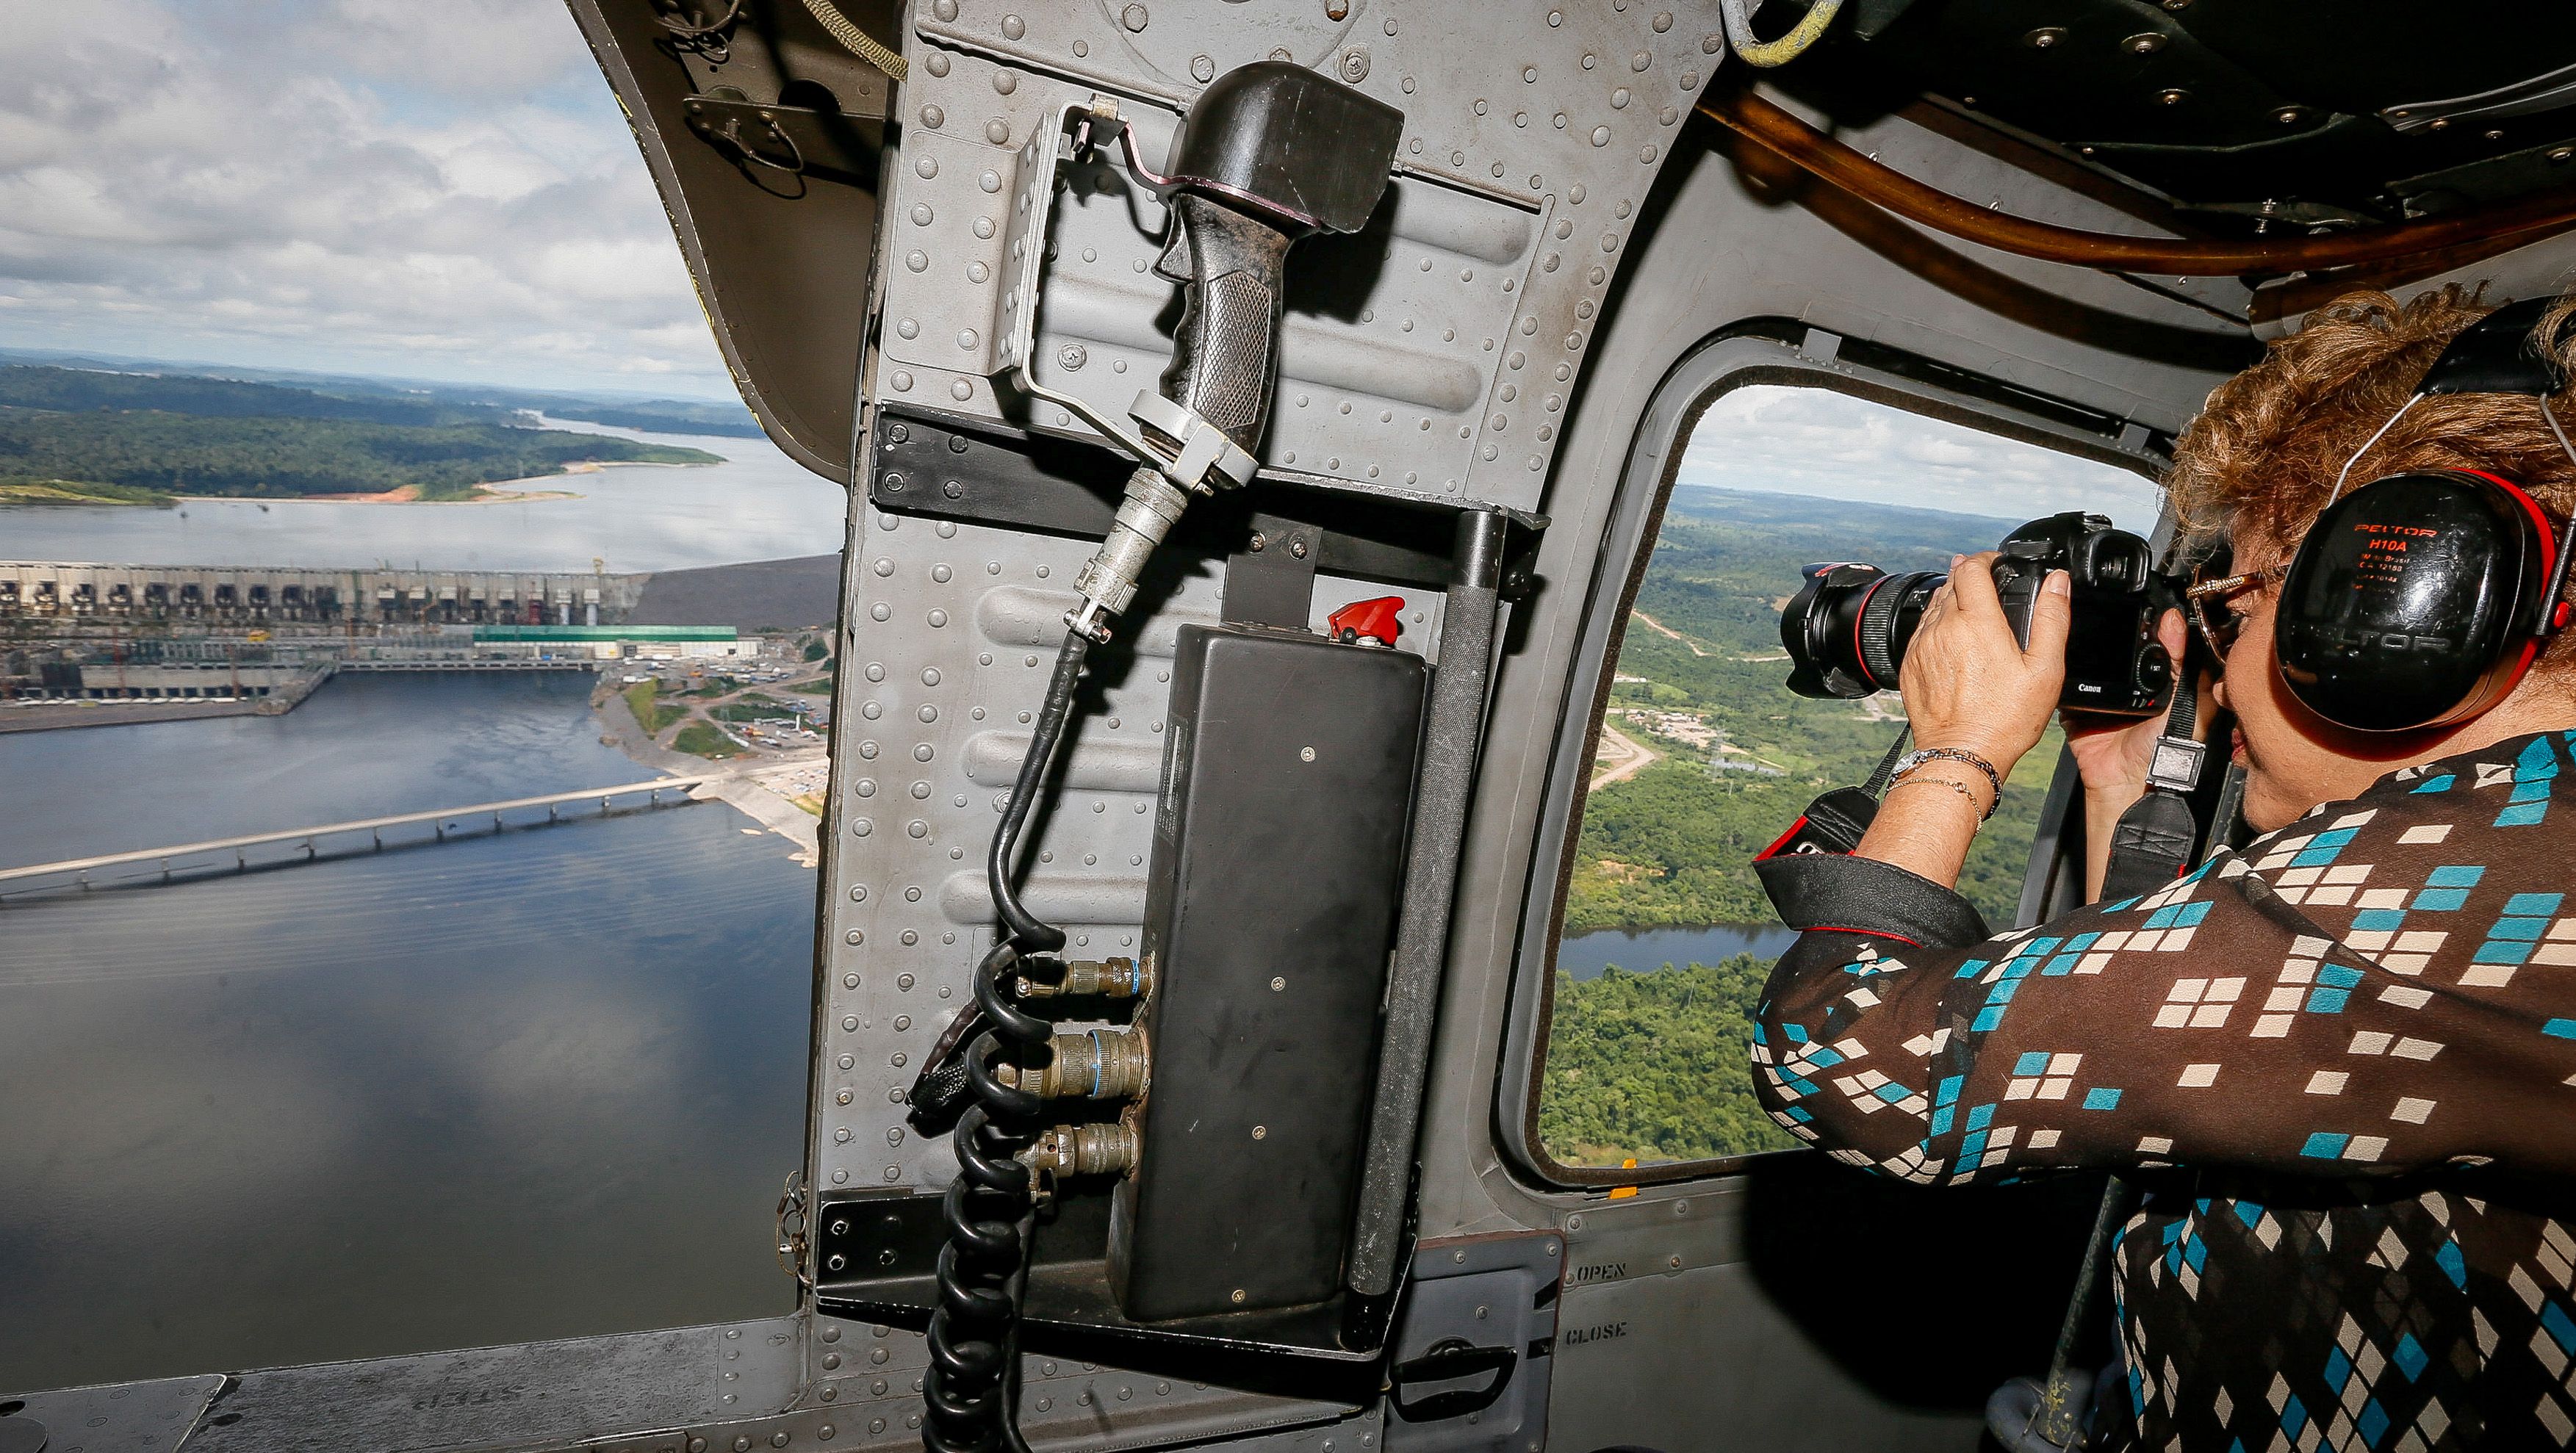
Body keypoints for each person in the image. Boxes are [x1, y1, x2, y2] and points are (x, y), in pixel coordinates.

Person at [1750, 287, 2576, 1451]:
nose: (2223, 675)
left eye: (2239, 605)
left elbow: (1846, 1057)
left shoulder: (2472, 875)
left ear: (2398, 600)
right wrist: (2121, 786)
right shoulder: (2505, 848)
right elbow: (2169, 1044)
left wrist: (1955, 750)